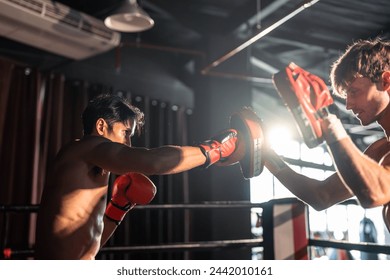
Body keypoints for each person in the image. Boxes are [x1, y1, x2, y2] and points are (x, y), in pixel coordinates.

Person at [34, 93, 239, 260]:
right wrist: (214, 150)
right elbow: (153, 161)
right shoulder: (86, 148)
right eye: (125, 133)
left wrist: (117, 209)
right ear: (101, 126)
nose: (128, 144)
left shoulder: (92, 166)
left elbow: (88, 244)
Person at [266, 38, 390, 231]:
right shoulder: (380, 150)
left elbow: (375, 193)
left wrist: (329, 122)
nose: (348, 105)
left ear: (386, 81)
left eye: (354, 91)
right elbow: (322, 196)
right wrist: (267, 156)